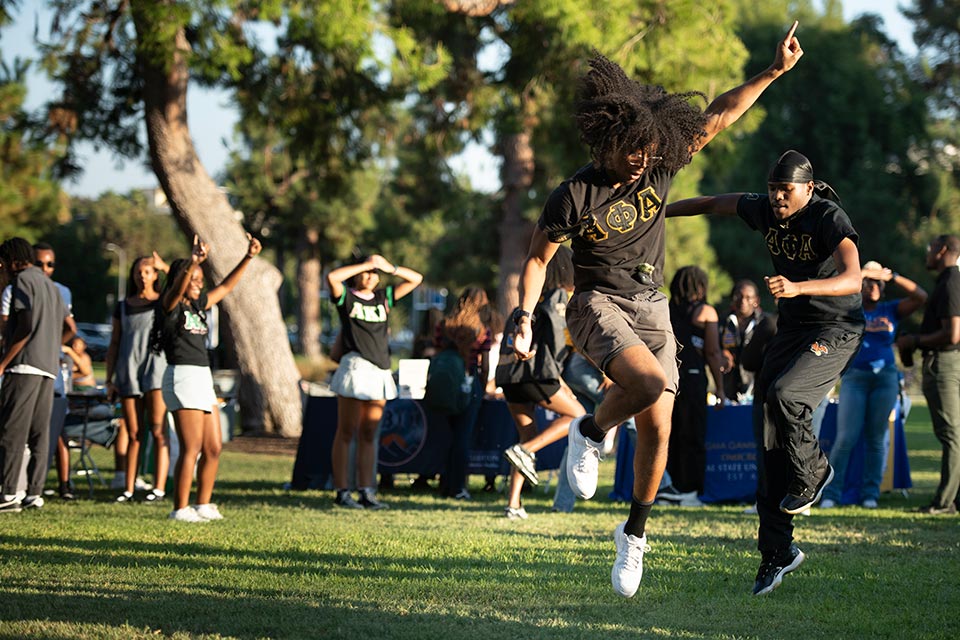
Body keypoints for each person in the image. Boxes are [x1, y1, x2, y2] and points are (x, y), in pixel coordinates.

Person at [512, 24, 803, 597]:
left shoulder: (661, 165)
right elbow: (536, 260)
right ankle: (590, 429)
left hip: (653, 305)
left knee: (659, 429)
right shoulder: (575, 195)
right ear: (608, 142)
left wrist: (773, 72)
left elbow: (718, 114)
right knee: (645, 383)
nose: (644, 159)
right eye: (634, 151)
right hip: (597, 303)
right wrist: (523, 317)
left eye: (651, 149)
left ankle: (634, 535)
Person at [666, 149, 865, 595]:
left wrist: (798, 287)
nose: (777, 197)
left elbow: (854, 277)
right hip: (793, 331)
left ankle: (814, 472)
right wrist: (661, 212)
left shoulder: (828, 216)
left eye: (786, 190)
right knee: (768, 442)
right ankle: (777, 552)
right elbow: (713, 203)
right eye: (774, 189)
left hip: (836, 328)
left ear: (808, 189)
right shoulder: (763, 209)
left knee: (788, 395)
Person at [152, 233, 261, 522]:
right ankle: (179, 508)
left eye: (201, 278)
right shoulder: (170, 306)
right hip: (182, 377)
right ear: (181, 279)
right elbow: (174, 292)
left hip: (202, 378)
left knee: (213, 446)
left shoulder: (199, 306)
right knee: (193, 448)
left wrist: (248, 257)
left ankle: (203, 503)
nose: (199, 283)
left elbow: (225, 287)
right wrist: (193, 262)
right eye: (194, 278)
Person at [820, 261, 926, 510]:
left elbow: (920, 296)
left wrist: (892, 275)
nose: (873, 286)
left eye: (877, 283)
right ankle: (832, 494)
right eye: (868, 282)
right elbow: (834, 293)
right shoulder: (851, 308)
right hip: (855, 377)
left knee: (876, 438)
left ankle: (870, 494)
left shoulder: (890, 309)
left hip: (885, 378)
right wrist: (863, 273)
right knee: (846, 437)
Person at [327, 254, 422, 509]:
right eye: (367, 272)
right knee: (346, 431)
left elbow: (416, 279)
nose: (371, 276)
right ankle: (342, 491)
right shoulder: (347, 297)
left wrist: (388, 266)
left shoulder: (383, 298)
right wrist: (365, 264)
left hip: (379, 369)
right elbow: (332, 277)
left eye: (374, 273)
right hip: (355, 367)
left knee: (370, 433)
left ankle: (367, 491)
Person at [498, 246, 585, 519]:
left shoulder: (525, 303)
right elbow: (556, 343)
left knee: (528, 436)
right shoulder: (559, 297)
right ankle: (525, 451)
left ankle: (514, 504)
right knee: (578, 416)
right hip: (537, 373)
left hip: (510, 377)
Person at [0, 238, 71, 513]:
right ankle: (34, 493)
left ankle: (7, 494)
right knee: (40, 434)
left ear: (13, 260)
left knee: (11, 431)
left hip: (25, 365)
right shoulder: (51, 286)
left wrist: (5, 361)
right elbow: (70, 326)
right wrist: (52, 346)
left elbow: (25, 325)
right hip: (48, 368)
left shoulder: (21, 281)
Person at [897, 235, 960, 515]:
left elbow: (952, 334)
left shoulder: (950, 282)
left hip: (944, 364)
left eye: (930, 248)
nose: (927, 252)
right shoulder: (948, 281)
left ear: (943, 250)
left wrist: (915, 341)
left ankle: (945, 502)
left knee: (951, 435)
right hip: (944, 362)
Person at [105, 253, 171, 503]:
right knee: (133, 432)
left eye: (148, 271)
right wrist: (109, 379)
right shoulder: (123, 306)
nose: (142, 276)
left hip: (155, 371)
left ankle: (158, 488)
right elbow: (114, 343)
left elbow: (180, 287)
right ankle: (129, 488)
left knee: (158, 430)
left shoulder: (163, 302)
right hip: (128, 372)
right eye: (139, 271)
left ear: (155, 275)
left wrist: (165, 266)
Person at [666, 266, 724, 498]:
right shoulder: (706, 312)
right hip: (692, 378)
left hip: (667, 378)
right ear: (701, 286)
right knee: (693, 433)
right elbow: (712, 352)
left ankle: (669, 485)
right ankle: (691, 488)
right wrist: (719, 387)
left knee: (670, 434)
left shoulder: (666, 310)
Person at [434, 287, 495, 500]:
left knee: (446, 435)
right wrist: (483, 385)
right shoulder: (481, 330)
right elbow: (485, 365)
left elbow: (437, 352)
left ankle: (444, 483)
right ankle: (458, 486)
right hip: (470, 384)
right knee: (463, 437)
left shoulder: (444, 325)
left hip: (445, 384)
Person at [719, 280, 777, 403]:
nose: (743, 301)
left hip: (757, 389)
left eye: (748, 297)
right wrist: (722, 353)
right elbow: (713, 348)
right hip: (728, 389)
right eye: (738, 296)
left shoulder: (766, 324)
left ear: (756, 301)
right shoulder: (723, 321)